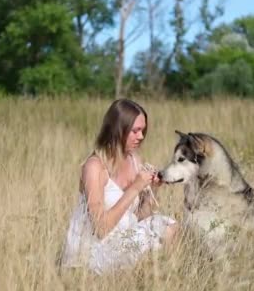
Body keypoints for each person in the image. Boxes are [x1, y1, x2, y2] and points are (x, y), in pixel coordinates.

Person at [60, 98, 179, 274]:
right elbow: (101, 229)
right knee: (150, 242)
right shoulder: (94, 167)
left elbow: (137, 219)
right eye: (135, 131)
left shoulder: (134, 160)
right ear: (118, 130)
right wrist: (135, 188)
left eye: (143, 131)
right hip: (92, 252)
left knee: (169, 226)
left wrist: (151, 190)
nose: (141, 137)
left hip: (123, 240)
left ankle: (167, 284)